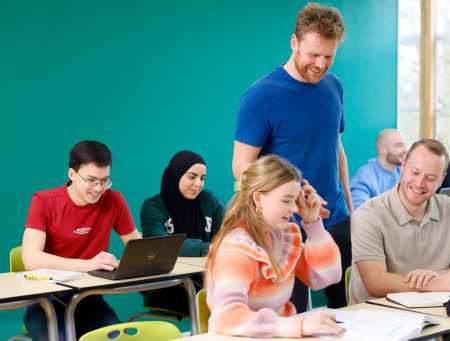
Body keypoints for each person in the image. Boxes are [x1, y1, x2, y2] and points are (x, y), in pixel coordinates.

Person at [232, 3, 350, 310]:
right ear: (294, 42)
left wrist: (350, 208)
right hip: (283, 228)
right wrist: (290, 196)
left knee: (352, 313)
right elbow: (241, 166)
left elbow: (336, 150)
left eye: (329, 56)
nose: (321, 64)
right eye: (313, 54)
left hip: (336, 220)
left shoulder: (334, 87)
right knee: (292, 318)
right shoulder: (261, 96)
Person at [350, 139, 450, 340]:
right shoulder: (368, 215)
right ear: (403, 165)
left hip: (442, 319)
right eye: (414, 172)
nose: (420, 183)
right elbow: (376, 282)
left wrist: (437, 275)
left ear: (442, 179)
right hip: (383, 323)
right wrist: (439, 281)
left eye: (431, 177)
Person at [206, 155, 343, 338]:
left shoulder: (284, 236)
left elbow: (326, 277)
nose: (295, 209)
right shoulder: (236, 249)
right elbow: (227, 317)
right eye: (287, 200)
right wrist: (298, 326)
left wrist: (313, 224)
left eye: (296, 200)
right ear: (258, 199)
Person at [21, 140, 141, 340]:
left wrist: (134, 261)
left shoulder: (114, 200)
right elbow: (30, 259)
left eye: (105, 181)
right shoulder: (43, 201)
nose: (99, 188)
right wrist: (88, 265)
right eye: (92, 180)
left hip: (89, 300)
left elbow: (136, 246)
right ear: (72, 175)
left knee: (116, 336)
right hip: (45, 302)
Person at [139, 150, 224, 314]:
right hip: (166, 286)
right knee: (224, 300)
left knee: (240, 293)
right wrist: (209, 248)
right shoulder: (153, 207)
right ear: (176, 175)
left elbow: (229, 236)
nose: (198, 184)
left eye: (202, 178)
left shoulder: (209, 200)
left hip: (207, 279)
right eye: (192, 177)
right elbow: (160, 246)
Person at [350, 128, 407, 209]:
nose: (405, 150)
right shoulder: (365, 175)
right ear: (382, 149)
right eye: (399, 145)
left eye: (404, 145)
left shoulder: (404, 171)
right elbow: (359, 210)